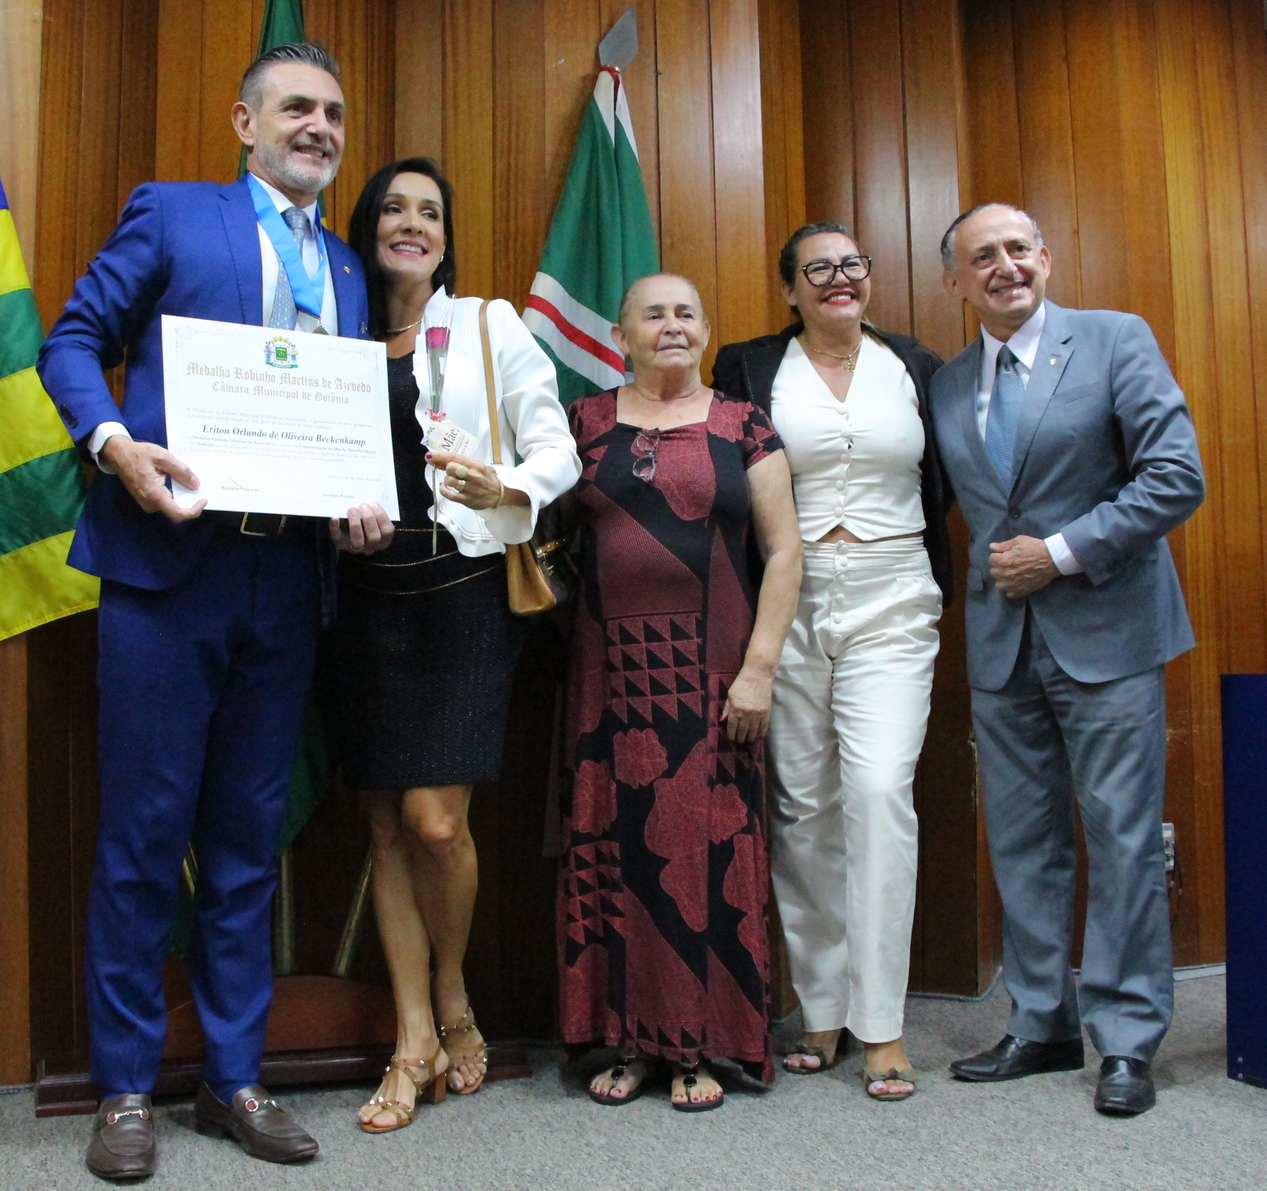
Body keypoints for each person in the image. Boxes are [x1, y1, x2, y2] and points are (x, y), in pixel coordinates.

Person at [38, 42, 394, 1182]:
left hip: (284, 584)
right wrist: (114, 444)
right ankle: (125, 1088)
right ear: (245, 123)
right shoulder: (174, 214)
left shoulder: (347, 269)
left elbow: (335, 424)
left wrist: (357, 507)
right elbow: (72, 340)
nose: (320, 127)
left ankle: (234, 1078)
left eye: (334, 112)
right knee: (144, 837)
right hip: (164, 572)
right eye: (297, 108)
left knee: (247, 843)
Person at [929, 203, 1204, 1117]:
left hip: (1109, 633)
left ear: (1045, 257)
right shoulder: (947, 384)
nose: (1004, 266)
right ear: (956, 281)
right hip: (1002, 645)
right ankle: (1042, 1022)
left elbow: (1176, 476)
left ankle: (1126, 1040)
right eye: (983, 257)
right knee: (1022, 844)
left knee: (1123, 839)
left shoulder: (1116, 340)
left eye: (1018, 248)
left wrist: (1060, 552)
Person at [330, 157, 578, 1133]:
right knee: (385, 823)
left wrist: (507, 485)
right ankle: (413, 1037)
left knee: (436, 823)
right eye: (394, 207)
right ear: (368, 227)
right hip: (362, 596)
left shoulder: (486, 324)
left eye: (430, 211)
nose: (413, 223)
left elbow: (556, 448)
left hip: (464, 590)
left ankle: (453, 989)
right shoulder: (333, 334)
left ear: (445, 236)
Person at [710, 223, 954, 1101]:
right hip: (789, 601)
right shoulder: (749, 368)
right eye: (818, 268)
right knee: (803, 805)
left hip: (894, 597)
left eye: (852, 264)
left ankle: (881, 1022)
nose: (838, 278)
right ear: (790, 290)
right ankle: (822, 1008)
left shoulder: (915, 366)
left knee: (881, 791)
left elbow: (948, 477)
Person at [559, 273, 803, 1112]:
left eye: (687, 312)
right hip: (607, 680)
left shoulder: (744, 424)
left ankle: (701, 1041)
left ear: (705, 330)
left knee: (705, 855)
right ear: (620, 334)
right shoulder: (584, 423)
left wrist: (759, 670)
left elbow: (785, 551)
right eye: (653, 313)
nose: (672, 325)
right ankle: (629, 1038)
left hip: (714, 677)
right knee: (615, 851)